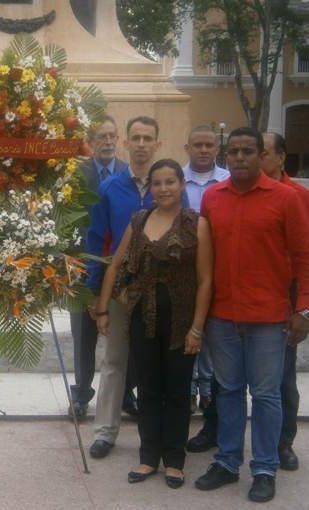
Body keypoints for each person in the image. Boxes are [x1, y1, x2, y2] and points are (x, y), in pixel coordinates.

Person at [195, 127, 309, 503]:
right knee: (229, 391)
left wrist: (306, 307)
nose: (239, 157)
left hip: (269, 317)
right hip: (223, 316)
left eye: (248, 151)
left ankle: (264, 468)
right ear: (225, 156)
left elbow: (307, 256)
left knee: (266, 395)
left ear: (261, 155)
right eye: (232, 151)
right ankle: (228, 462)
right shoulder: (212, 198)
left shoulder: (287, 198)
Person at [95, 158, 213, 488]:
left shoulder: (196, 223)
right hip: (140, 319)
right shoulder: (139, 219)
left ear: (182, 185)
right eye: (156, 183)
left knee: (176, 392)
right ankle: (148, 458)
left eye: (170, 182)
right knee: (147, 390)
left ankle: (174, 461)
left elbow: (205, 280)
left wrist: (197, 328)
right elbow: (116, 265)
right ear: (150, 189)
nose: (163, 188)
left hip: (181, 323)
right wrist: (103, 309)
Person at [85, 116, 188, 459]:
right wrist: (96, 292)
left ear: (158, 144)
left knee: (154, 363)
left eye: (148, 138)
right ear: (126, 144)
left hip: (162, 291)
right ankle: (104, 432)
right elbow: (98, 241)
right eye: (135, 138)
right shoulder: (110, 187)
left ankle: (156, 435)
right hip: (121, 288)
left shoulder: (169, 187)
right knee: (114, 360)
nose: (141, 144)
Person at [70, 115, 133, 418]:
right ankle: (81, 393)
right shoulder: (73, 174)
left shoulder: (127, 173)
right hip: (82, 269)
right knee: (84, 335)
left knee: (125, 334)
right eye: (101, 136)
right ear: (90, 141)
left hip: (122, 271)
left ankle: (127, 394)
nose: (108, 141)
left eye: (113, 135)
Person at [182, 126, 230, 414]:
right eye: (197, 144)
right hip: (183, 270)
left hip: (218, 268)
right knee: (188, 331)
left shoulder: (228, 181)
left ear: (217, 149)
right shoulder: (176, 179)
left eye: (208, 145)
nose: (203, 149)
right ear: (187, 148)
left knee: (210, 332)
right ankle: (188, 391)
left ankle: (208, 391)